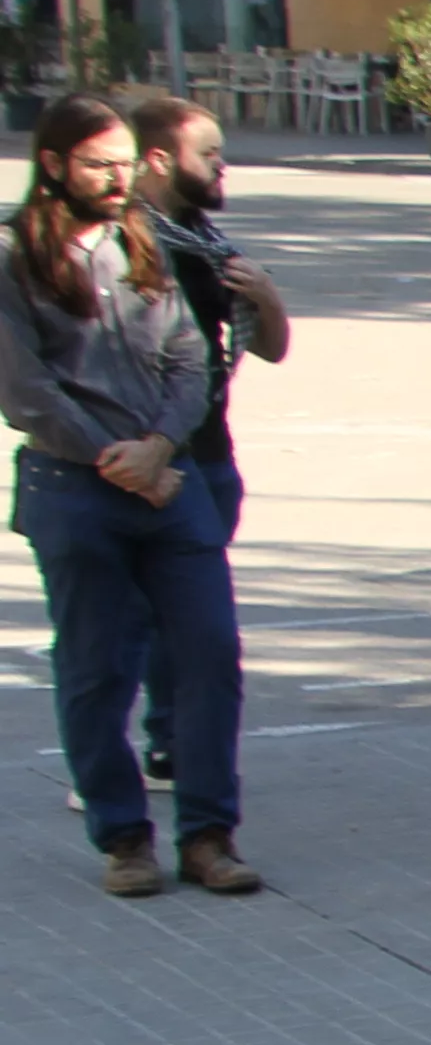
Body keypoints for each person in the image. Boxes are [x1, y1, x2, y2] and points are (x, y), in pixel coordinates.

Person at [3, 98, 251, 894]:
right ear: (53, 166)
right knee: (96, 669)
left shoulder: (139, 240)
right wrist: (115, 457)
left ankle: (209, 835)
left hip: (167, 482)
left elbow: (191, 361)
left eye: (123, 163)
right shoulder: (14, 257)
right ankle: (124, 840)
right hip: (75, 487)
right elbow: (24, 389)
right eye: (97, 165)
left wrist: (159, 448)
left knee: (210, 652)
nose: (118, 179)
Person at [119, 93, 280, 787]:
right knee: (136, 617)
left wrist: (266, 296)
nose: (222, 169)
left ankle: (181, 744)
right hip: (134, 458)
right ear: (159, 160)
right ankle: (142, 746)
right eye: (208, 155)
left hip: (210, 454)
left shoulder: (210, 247)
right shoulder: (120, 243)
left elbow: (271, 348)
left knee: (200, 621)